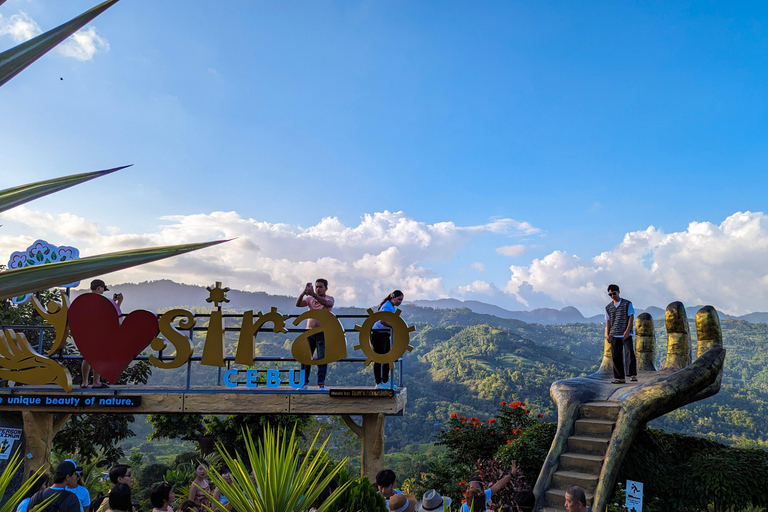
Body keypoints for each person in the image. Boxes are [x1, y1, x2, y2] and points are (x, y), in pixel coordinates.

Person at [81, 279, 123, 388]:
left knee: (87, 357)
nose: (103, 292)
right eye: (103, 289)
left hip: (86, 331)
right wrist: (118, 303)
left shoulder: (85, 299)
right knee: (99, 356)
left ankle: (84, 382)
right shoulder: (101, 300)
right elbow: (112, 315)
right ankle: (96, 382)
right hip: (99, 331)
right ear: (99, 287)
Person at [295, 278, 335, 389]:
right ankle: (304, 383)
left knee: (322, 358)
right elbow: (298, 304)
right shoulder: (309, 299)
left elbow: (327, 303)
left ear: (326, 288)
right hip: (309, 332)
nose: (318, 289)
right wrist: (304, 293)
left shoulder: (329, 298)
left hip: (322, 332)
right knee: (306, 358)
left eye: (320, 287)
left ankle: (321, 383)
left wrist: (314, 295)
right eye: (316, 287)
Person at [372, 290, 404, 389]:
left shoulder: (392, 307)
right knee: (379, 358)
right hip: (378, 334)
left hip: (385, 334)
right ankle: (378, 383)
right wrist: (394, 326)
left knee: (386, 357)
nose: (400, 302)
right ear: (393, 297)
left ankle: (385, 381)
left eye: (401, 300)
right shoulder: (386, 306)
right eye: (399, 299)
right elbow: (382, 320)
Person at [605, 284, 637, 384]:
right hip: (614, 334)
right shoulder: (608, 307)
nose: (612, 296)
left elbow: (631, 317)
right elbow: (608, 321)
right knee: (616, 356)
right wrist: (607, 334)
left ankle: (632, 375)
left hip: (625, 333)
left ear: (618, 292)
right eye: (610, 294)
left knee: (629, 353)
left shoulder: (627, 304)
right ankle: (620, 377)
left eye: (614, 293)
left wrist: (628, 330)